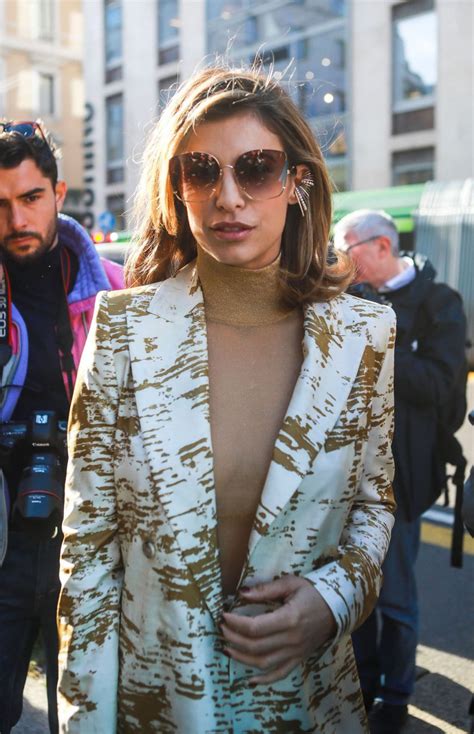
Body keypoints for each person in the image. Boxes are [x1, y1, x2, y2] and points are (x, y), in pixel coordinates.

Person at [57, 66, 396, 733]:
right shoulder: (123, 328)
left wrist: (333, 600)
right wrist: (84, 721)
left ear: (296, 184)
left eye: (257, 168)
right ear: (176, 187)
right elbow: (88, 552)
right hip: (156, 707)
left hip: (304, 702)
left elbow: (374, 508)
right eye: (202, 170)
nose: (228, 196)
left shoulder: (365, 337)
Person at [0, 121, 123, 734]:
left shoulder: (119, 292)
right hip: (3, 541)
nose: (16, 219)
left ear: (59, 192)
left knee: (85, 718)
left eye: (30, 198)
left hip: (92, 544)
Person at [333, 209, 467, 734]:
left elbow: (441, 389)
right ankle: (363, 686)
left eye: (349, 248)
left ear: (382, 246)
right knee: (357, 595)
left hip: (404, 479)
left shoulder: (440, 303)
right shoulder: (349, 300)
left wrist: (381, 339)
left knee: (397, 598)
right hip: (346, 477)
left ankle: (397, 698)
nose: (342, 260)